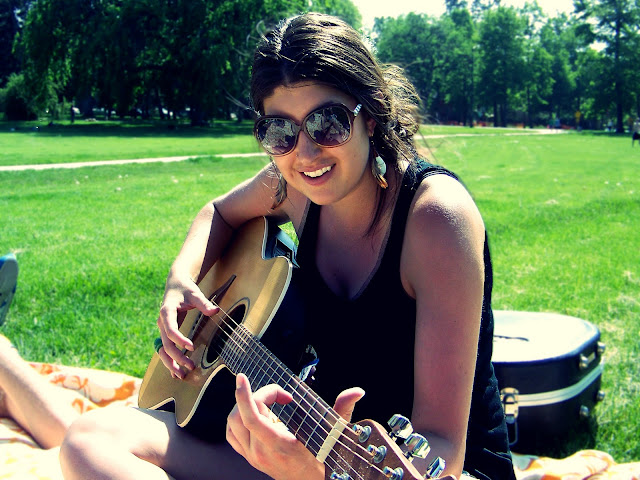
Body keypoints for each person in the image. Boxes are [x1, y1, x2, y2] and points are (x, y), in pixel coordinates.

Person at [59, 12, 516, 480]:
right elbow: (219, 212)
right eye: (280, 131)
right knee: (89, 441)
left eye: (328, 123)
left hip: (413, 470)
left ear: (371, 115)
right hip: (307, 443)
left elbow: (444, 449)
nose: (306, 153)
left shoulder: (436, 219)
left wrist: (310, 474)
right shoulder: (294, 186)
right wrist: (180, 280)